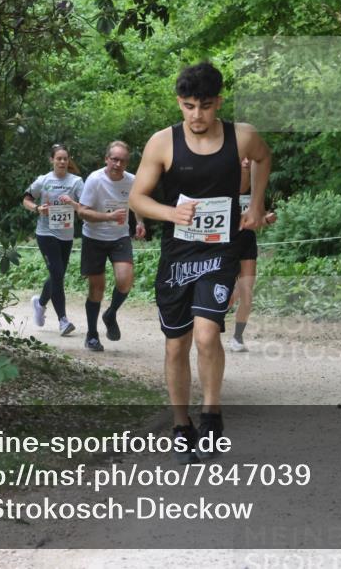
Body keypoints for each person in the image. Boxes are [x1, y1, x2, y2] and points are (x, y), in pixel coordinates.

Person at [130, 62, 271, 464]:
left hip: (219, 252)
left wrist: (256, 203)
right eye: (189, 106)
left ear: (218, 103)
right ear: (179, 103)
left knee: (208, 335)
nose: (196, 115)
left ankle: (211, 416)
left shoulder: (241, 136)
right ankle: (181, 425)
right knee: (177, 346)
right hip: (178, 256)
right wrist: (169, 213)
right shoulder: (162, 143)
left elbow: (264, 158)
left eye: (205, 107)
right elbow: (137, 198)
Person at [68, 141, 146, 352]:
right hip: (93, 238)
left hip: (119, 238)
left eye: (122, 160)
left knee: (125, 280)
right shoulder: (95, 180)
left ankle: (110, 314)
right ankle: (92, 335)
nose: (118, 164)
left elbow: (136, 202)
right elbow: (82, 212)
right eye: (114, 159)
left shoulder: (132, 181)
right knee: (97, 288)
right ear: (106, 159)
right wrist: (108, 216)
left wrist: (139, 222)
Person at [23, 144, 85, 337]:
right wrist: (37, 209)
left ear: (68, 160)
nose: (62, 162)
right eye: (58, 158)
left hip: (66, 236)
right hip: (46, 233)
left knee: (57, 274)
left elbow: (84, 207)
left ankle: (40, 303)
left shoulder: (76, 182)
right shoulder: (43, 180)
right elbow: (25, 199)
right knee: (58, 275)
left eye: (65, 159)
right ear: (52, 160)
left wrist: (72, 204)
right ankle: (63, 321)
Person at [229, 157, 277, 353]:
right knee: (226, 293)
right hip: (226, 243)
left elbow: (258, 219)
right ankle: (209, 326)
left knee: (247, 292)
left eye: (250, 158)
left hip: (247, 242)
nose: (247, 161)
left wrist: (267, 219)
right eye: (243, 158)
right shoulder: (225, 183)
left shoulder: (256, 189)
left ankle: (237, 337)